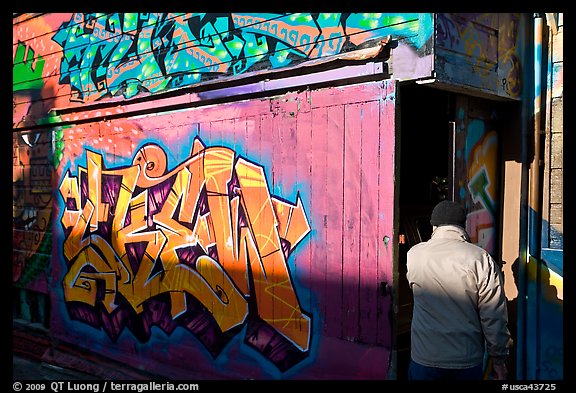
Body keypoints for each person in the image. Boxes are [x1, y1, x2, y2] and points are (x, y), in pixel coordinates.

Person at [406, 200, 513, 380]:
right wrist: (498, 359)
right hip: (466, 360)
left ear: (434, 227)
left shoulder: (414, 254)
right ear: (463, 226)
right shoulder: (480, 258)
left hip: (424, 357)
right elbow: (493, 315)